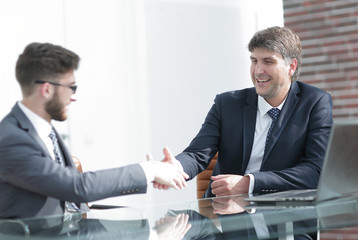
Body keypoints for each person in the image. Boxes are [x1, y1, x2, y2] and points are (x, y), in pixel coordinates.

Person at [0, 42, 188, 219]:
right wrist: (149, 170)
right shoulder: (10, 139)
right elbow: (76, 186)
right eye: (71, 87)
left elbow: (74, 199)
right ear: (47, 90)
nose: (74, 97)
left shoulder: (44, 130)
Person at [155, 26, 333, 198]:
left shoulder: (315, 103)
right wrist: (173, 168)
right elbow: (197, 154)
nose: (258, 70)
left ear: (291, 66)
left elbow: (316, 170)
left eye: (268, 61)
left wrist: (250, 183)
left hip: (285, 215)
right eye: (254, 61)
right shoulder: (226, 104)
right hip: (225, 215)